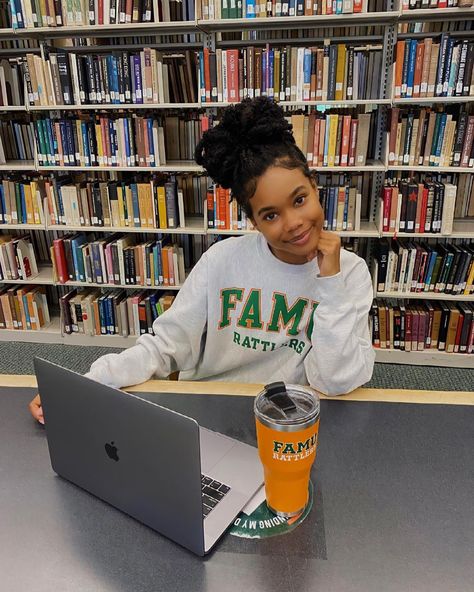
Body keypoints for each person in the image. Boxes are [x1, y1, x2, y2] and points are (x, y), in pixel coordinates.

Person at [29, 97, 375, 424]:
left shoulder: (351, 274)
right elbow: (165, 346)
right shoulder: (221, 261)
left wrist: (331, 283)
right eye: (270, 215)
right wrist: (85, 385)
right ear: (253, 221)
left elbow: (334, 381)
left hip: (287, 420)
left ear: (314, 186)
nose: (294, 222)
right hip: (211, 412)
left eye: (299, 200)